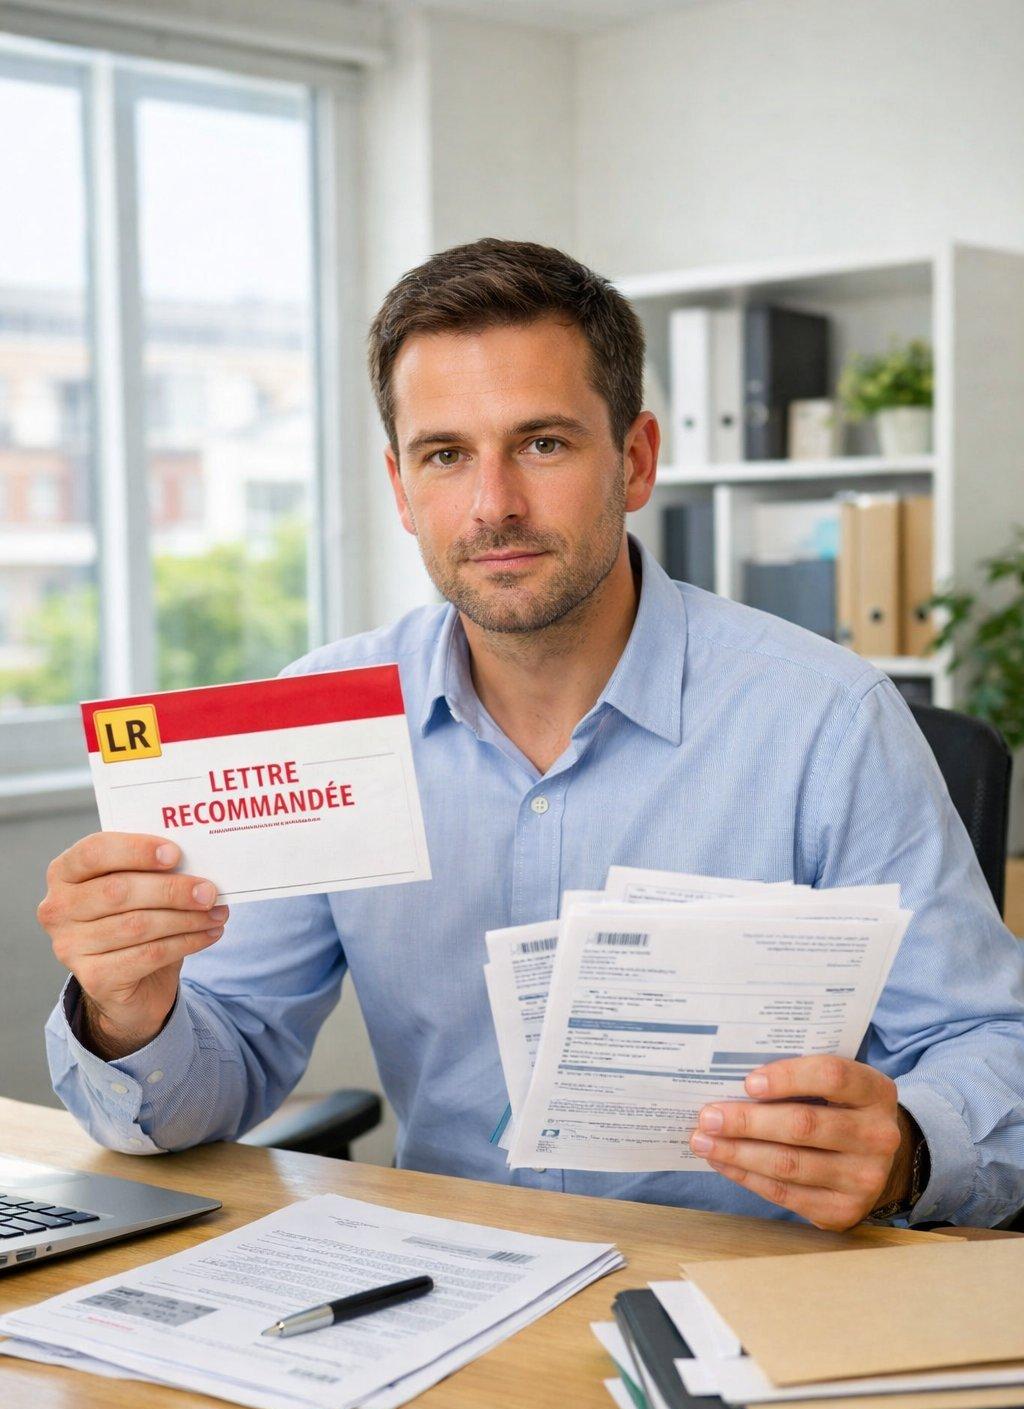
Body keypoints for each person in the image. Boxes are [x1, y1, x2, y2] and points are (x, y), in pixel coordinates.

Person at [38, 238, 1024, 1231]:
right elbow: (224, 1064)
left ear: (634, 461)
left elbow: (991, 1046)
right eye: (445, 454)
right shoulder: (325, 723)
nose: (492, 504)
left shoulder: (826, 719)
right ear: (399, 487)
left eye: (542, 443)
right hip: (442, 1283)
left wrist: (905, 1148)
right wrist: (131, 1009)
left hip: (748, 1291)